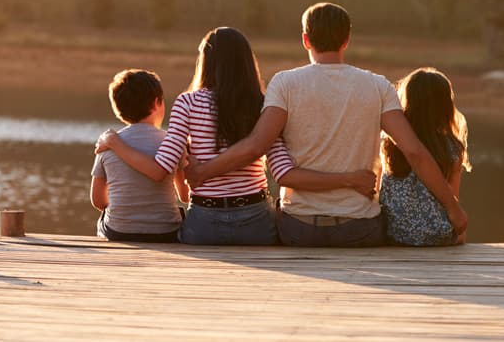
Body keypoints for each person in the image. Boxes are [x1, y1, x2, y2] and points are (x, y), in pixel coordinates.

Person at [186, 3, 468, 247]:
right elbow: (415, 152)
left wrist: (203, 171)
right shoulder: (378, 86)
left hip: (298, 229)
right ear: (346, 40)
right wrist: (453, 209)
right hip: (360, 230)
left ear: (306, 40)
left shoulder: (284, 83)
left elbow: (257, 145)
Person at [97, 27, 376, 245]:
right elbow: (282, 170)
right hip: (256, 224)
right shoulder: (262, 105)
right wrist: (348, 180)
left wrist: (114, 142)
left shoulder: (187, 103)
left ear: (205, 61)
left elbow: (161, 169)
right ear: (246, 61)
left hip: (204, 225)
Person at [91, 69, 188, 242]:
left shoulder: (106, 143)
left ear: (118, 109)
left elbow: (98, 200)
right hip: (166, 232)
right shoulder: (172, 143)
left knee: (104, 219)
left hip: (119, 231)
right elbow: (185, 195)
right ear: (157, 102)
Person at [379, 68, 471, 246]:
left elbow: (379, 189)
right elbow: (452, 197)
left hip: (392, 233)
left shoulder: (389, 144)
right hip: (437, 234)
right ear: (446, 106)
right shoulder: (452, 147)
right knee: (461, 237)